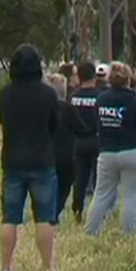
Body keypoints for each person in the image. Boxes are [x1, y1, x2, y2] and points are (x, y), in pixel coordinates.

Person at [0, 44, 59, 271]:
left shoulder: (3, 95)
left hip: (12, 161)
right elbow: (55, 125)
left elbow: (2, 121)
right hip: (42, 160)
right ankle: (46, 268)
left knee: (10, 218)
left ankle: (5, 268)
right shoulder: (48, 94)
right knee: (44, 218)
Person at [86, 62, 136, 236]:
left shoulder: (101, 100)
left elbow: (96, 124)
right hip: (132, 151)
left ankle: (91, 233)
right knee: (131, 196)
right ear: (129, 79)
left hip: (107, 152)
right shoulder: (134, 101)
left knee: (101, 196)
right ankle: (128, 235)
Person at [47, 74, 81, 223]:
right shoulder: (69, 109)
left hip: (47, 153)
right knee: (65, 186)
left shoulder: (44, 109)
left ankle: (49, 213)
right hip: (67, 153)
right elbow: (81, 128)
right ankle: (55, 212)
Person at [69, 62, 100, 223]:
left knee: (79, 178)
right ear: (94, 76)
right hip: (96, 139)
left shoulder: (73, 97)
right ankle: (96, 210)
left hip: (78, 141)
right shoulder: (100, 95)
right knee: (97, 178)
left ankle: (77, 209)